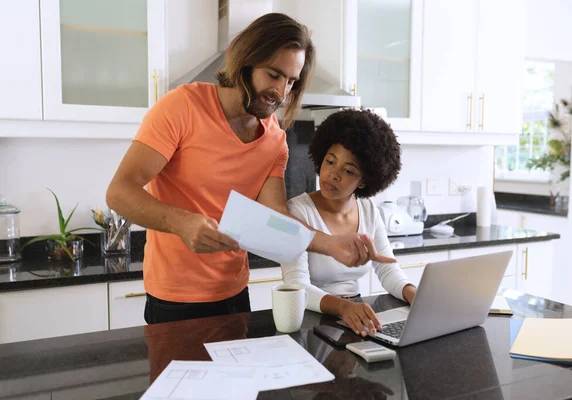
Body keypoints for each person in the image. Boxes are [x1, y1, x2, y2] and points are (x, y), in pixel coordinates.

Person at [105, 13, 394, 324]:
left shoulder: (274, 141)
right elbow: (120, 192)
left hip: (235, 293)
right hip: (175, 297)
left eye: (291, 81)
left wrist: (331, 244)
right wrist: (181, 223)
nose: (282, 92)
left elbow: (275, 219)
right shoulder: (181, 107)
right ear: (245, 61)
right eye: (274, 75)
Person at [281, 109, 418, 337]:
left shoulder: (368, 210)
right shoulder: (298, 210)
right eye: (330, 161)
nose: (333, 174)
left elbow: (387, 268)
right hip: (313, 319)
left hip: (356, 316)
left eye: (348, 170)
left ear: (364, 182)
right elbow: (298, 286)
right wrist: (344, 307)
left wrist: (412, 292)